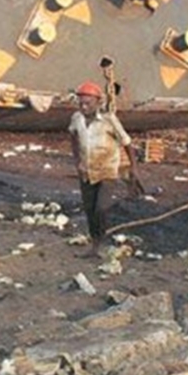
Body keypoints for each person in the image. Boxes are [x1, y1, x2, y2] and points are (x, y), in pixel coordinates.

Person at [68, 80, 133, 252]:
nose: (84, 107)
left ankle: (101, 239)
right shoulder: (76, 119)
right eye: (81, 103)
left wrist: (133, 168)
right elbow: (73, 137)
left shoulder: (109, 120)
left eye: (88, 103)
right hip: (86, 172)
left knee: (101, 209)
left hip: (107, 172)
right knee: (89, 210)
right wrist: (77, 161)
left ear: (98, 103)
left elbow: (126, 142)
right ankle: (95, 245)